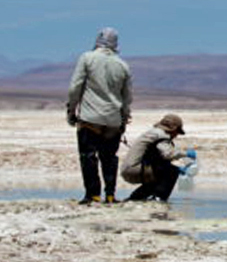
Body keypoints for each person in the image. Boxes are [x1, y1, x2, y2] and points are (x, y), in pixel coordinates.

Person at [66, 27, 133, 204]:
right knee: (109, 158)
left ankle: (93, 195)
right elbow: (127, 97)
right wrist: (124, 118)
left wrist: (71, 110)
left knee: (88, 156)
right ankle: (110, 195)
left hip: (90, 118)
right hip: (113, 120)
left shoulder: (87, 58)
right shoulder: (122, 65)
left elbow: (75, 87)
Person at [120, 114, 195, 202]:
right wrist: (186, 154)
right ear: (173, 129)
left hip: (128, 169)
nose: (176, 135)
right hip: (135, 170)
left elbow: (160, 159)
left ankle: (135, 198)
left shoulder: (153, 133)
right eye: (177, 132)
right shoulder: (162, 136)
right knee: (172, 171)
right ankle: (159, 199)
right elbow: (168, 154)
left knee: (161, 172)